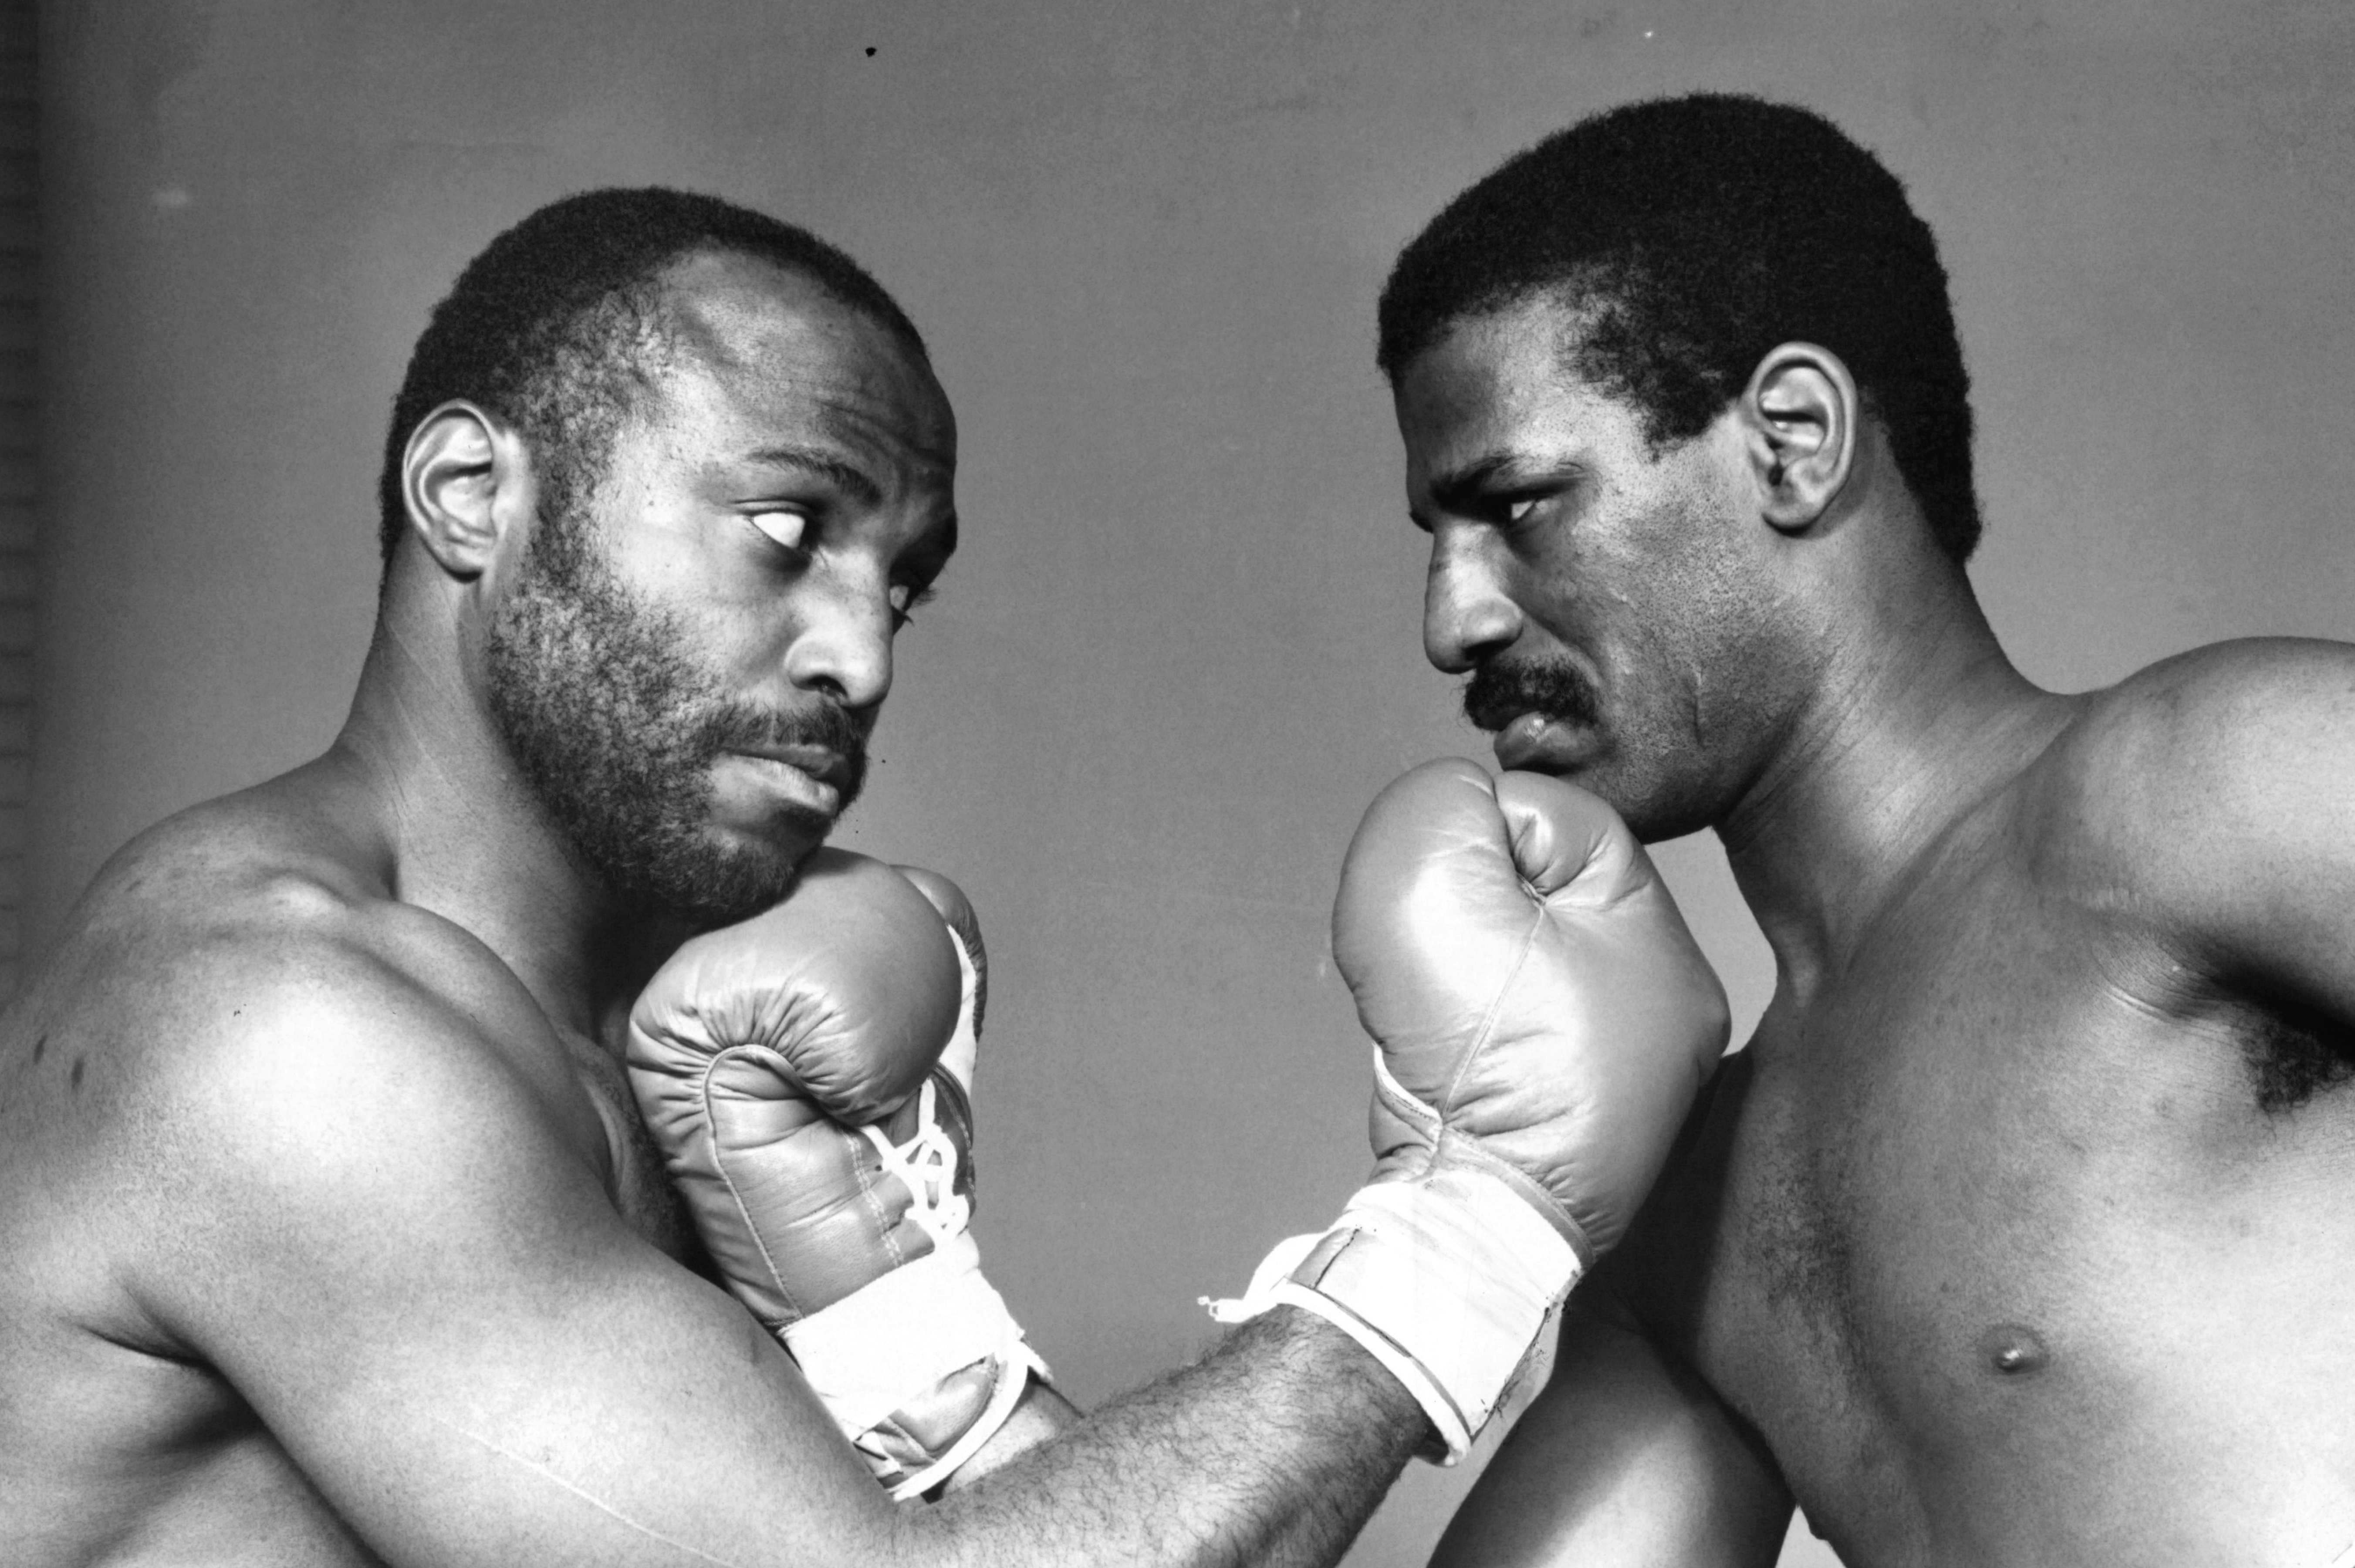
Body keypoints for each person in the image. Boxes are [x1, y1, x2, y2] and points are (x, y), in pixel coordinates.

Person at [0, 186, 1732, 1566]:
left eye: (900, 583)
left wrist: (912, 1343)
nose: (859, 654)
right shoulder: (277, 1035)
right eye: (784, 532)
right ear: (473, 495)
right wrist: (1471, 1220)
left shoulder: (667, 1027)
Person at [1374, 94, 2355, 1565]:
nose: (1455, 621)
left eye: (1516, 507)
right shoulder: (1690, 1213)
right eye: (1437, 545)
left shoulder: (2214, 778)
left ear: (1791, 441)